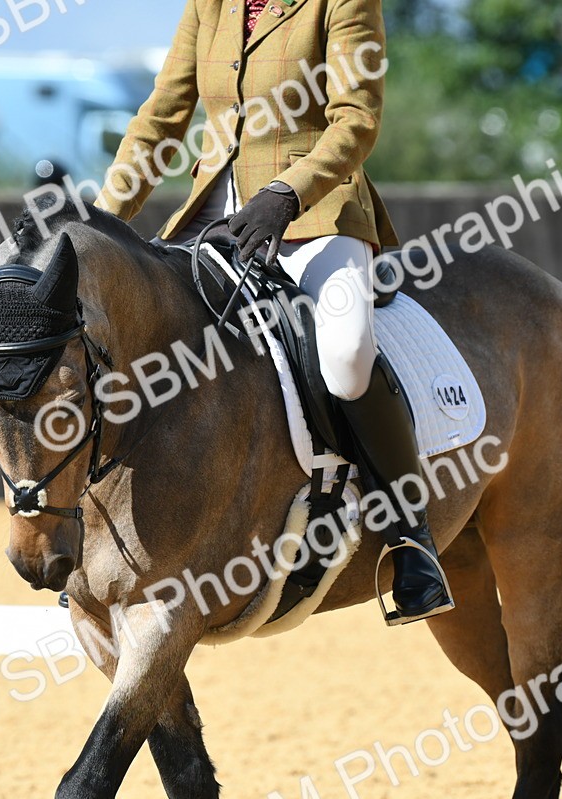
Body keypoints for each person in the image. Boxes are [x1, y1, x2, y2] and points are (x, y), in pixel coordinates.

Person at [94, 0, 452, 625]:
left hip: (314, 212)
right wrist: (100, 222)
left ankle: (410, 535)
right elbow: (162, 116)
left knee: (345, 358)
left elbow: (356, 121)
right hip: (214, 216)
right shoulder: (210, 5)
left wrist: (286, 195)